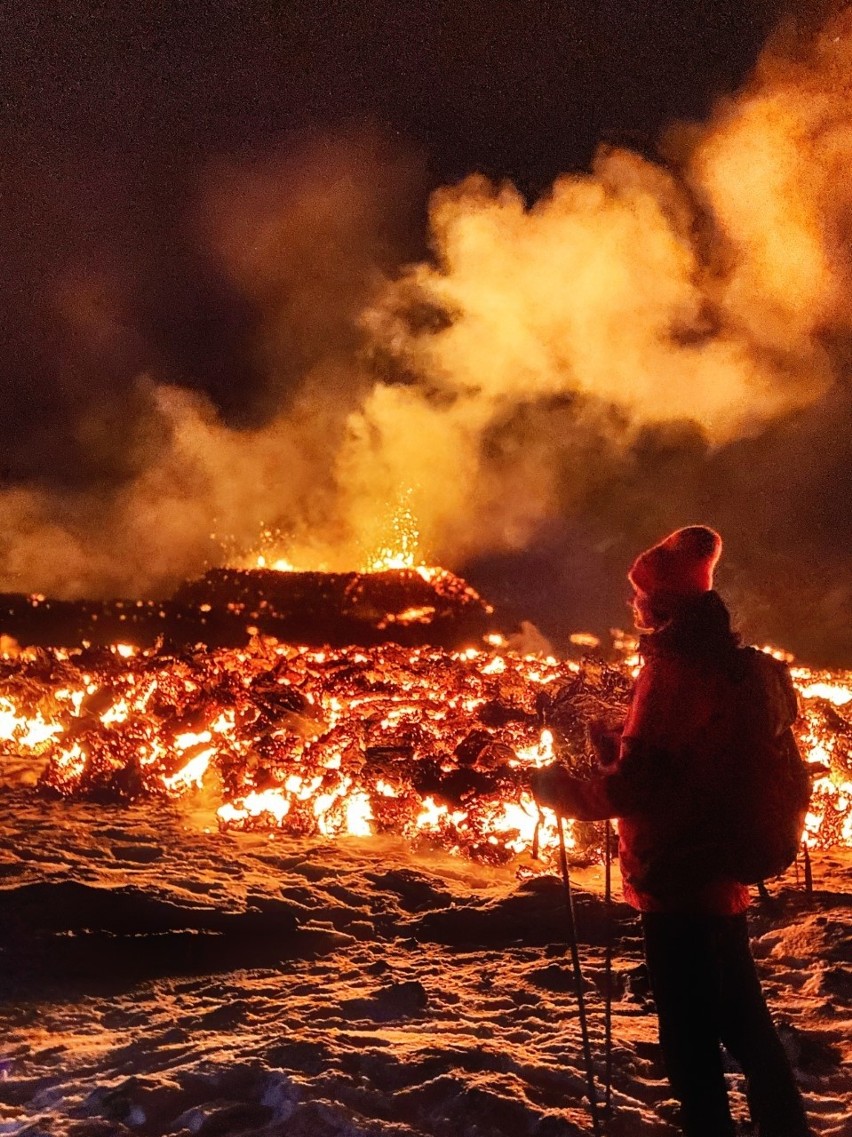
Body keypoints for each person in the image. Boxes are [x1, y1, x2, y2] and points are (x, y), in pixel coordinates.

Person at [531, 526, 811, 1137]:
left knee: (689, 1045)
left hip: (678, 878)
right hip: (717, 873)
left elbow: (639, 789)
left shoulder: (675, 671)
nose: (633, 604)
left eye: (640, 593)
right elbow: (679, 766)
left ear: (664, 603)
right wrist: (619, 751)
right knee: (743, 1023)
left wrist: (561, 792)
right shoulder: (717, 664)